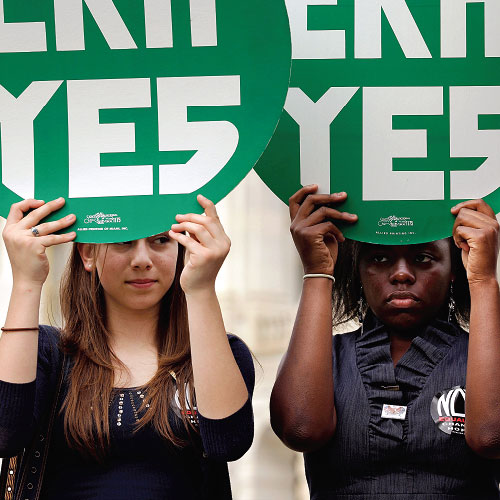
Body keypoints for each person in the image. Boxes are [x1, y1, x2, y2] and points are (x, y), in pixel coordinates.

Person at [0, 195, 254, 500]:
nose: (142, 259)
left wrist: (201, 289)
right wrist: (26, 280)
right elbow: (5, 435)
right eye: (123, 241)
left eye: (160, 240)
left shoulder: (219, 352)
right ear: (88, 254)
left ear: (181, 251)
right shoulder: (46, 353)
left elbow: (228, 444)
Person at [270, 185, 500, 499]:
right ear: (359, 271)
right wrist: (318, 271)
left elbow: (492, 436)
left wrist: (484, 279)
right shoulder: (328, 360)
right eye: (379, 258)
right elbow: (301, 430)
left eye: (423, 257)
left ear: (453, 272)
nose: (401, 274)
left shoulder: (482, 359)